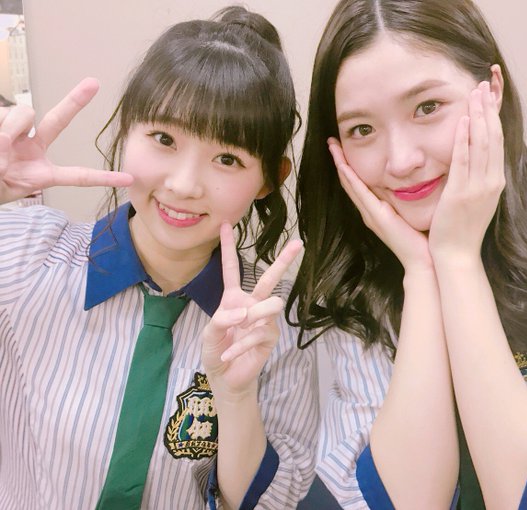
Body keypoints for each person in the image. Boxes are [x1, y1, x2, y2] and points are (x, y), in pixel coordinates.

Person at [288, 0, 527, 508]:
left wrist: (457, 259)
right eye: (362, 129)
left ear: (492, 91)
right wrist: (422, 274)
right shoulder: (357, 285)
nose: (401, 160)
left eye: (427, 107)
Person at [0, 6, 318, 510]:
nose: (184, 185)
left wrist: (236, 398)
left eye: (227, 158)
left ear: (268, 179)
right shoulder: (24, 255)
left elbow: (269, 502)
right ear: (127, 130)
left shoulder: (274, 317)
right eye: (164, 139)